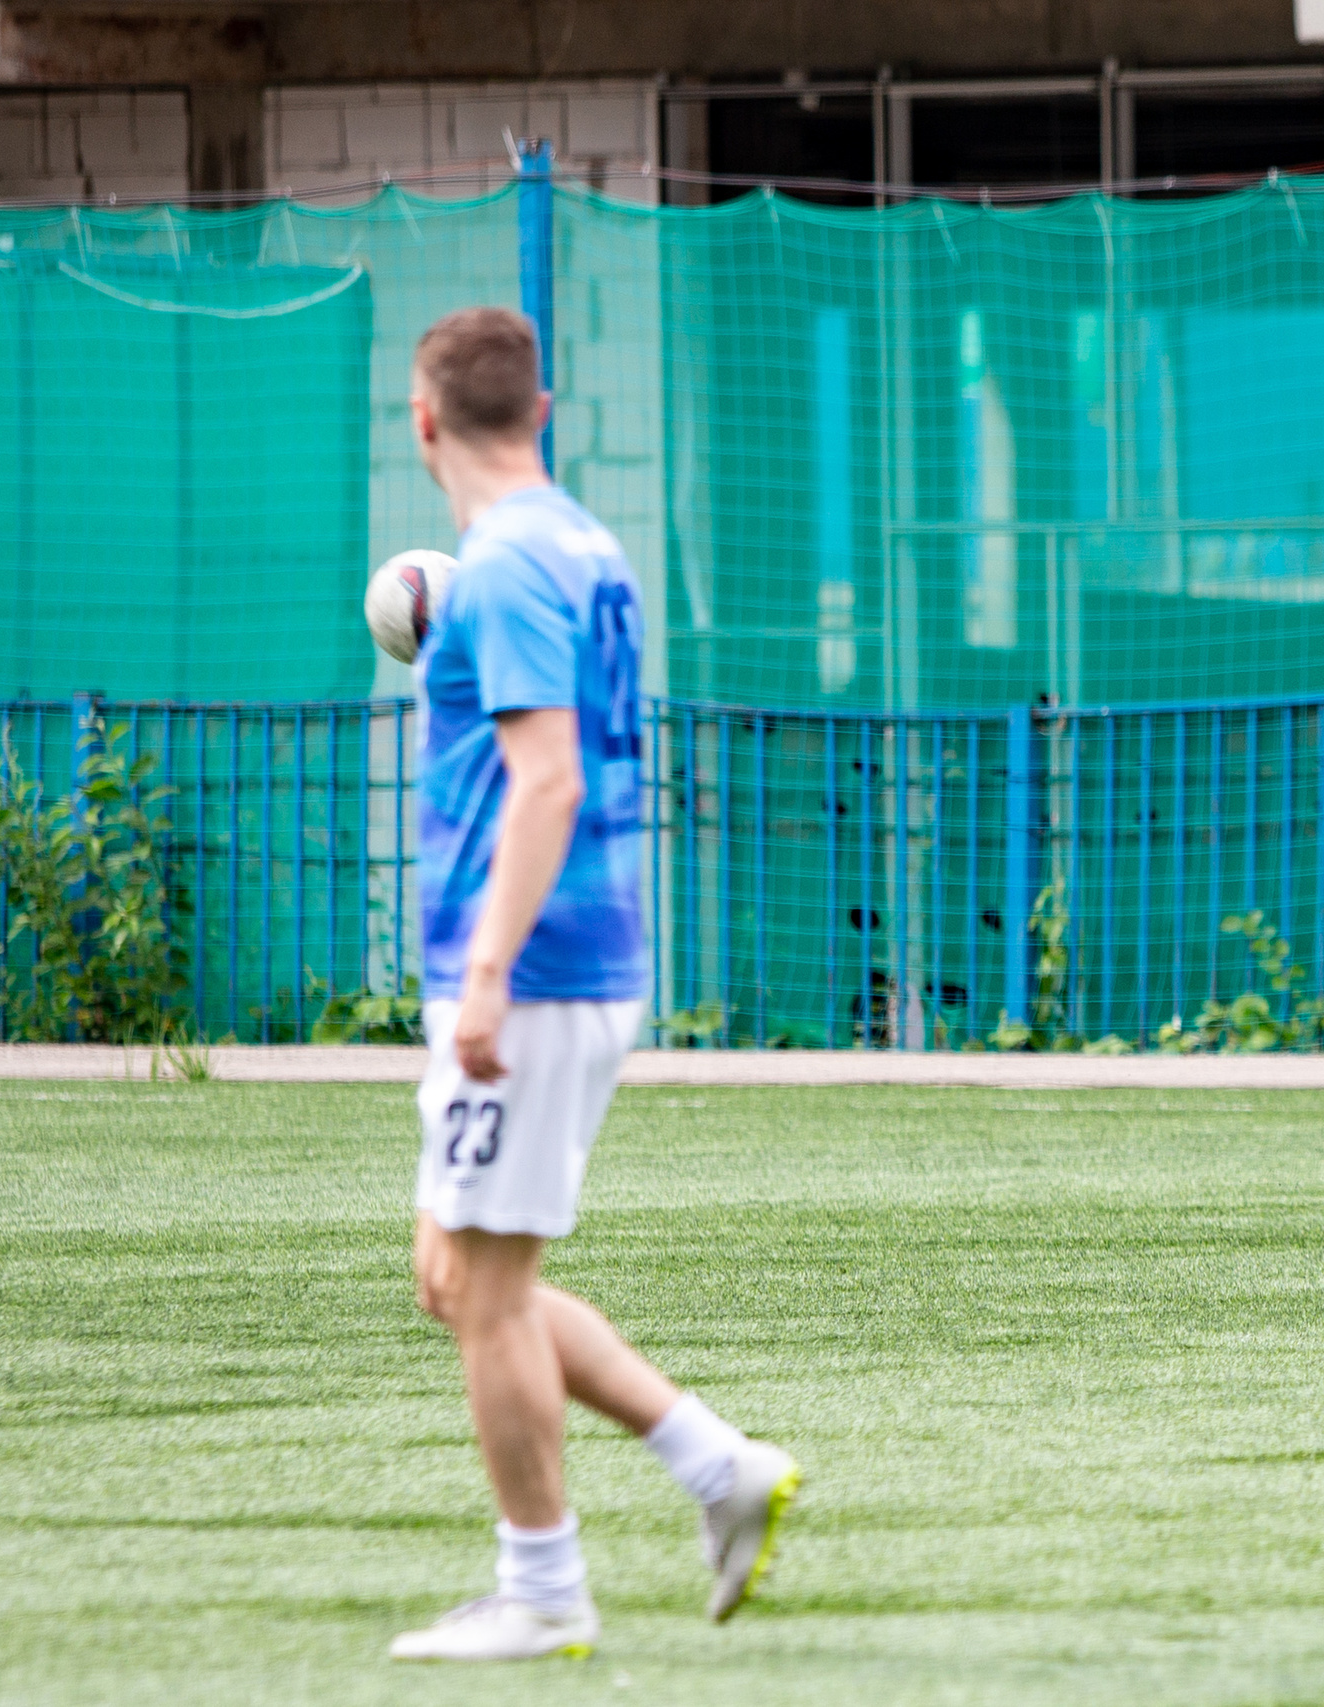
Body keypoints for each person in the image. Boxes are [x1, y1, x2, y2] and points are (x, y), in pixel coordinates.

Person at [387, 306, 800, 1662]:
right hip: (582, 949)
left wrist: (489, 976)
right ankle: (713, 1461)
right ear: (545, 407)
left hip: (537, 962)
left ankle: (544, 1590)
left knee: (487, 1289)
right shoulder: (581, 542)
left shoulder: (505, 565)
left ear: (426, 420)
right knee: (457, 1272)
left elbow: (548, 776)